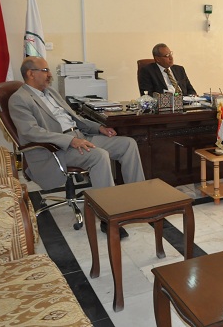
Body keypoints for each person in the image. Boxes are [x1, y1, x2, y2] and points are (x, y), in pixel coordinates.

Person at [9, 57, 146, 237]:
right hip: (56, 148)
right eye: (45, 70)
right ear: (30, 73)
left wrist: (99, 128)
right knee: (99, 156)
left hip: (80, 137)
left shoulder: (51, 92)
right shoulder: (19, 99)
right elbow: (31, 132)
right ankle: (109, 217)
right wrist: (70, 141)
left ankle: (140, 199)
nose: (49, 74)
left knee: (127, 144)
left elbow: (75, 118)